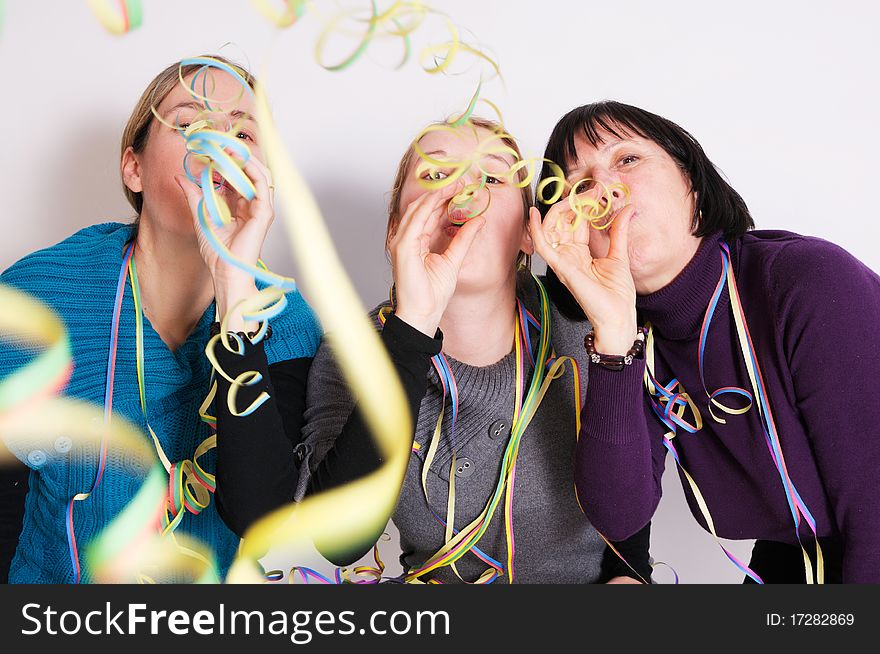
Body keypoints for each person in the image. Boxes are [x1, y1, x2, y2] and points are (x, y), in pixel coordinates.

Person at [216, 117, 652, 584]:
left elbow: (627, 526)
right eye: (436, 176)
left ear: (530, 233)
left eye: (490, 177)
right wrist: (414, 325)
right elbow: (342, 541)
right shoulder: (355, 351)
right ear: (395, 229)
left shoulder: (585, 320)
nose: (463, 192)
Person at [0, 55, 321, 583]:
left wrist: (234, 287)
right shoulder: (42, 295)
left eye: (243, 131)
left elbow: (260, 515)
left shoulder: (286, 321)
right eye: (193, 123)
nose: (220, 144)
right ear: (134, 167)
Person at [531, 100, 880, 583]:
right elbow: (618, 515)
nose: (602, 190)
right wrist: (613, 336)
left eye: (627, 160)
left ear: (692, 185)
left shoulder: (807, 283)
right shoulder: (633, 338)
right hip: (795, 562)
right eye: (579, 185)